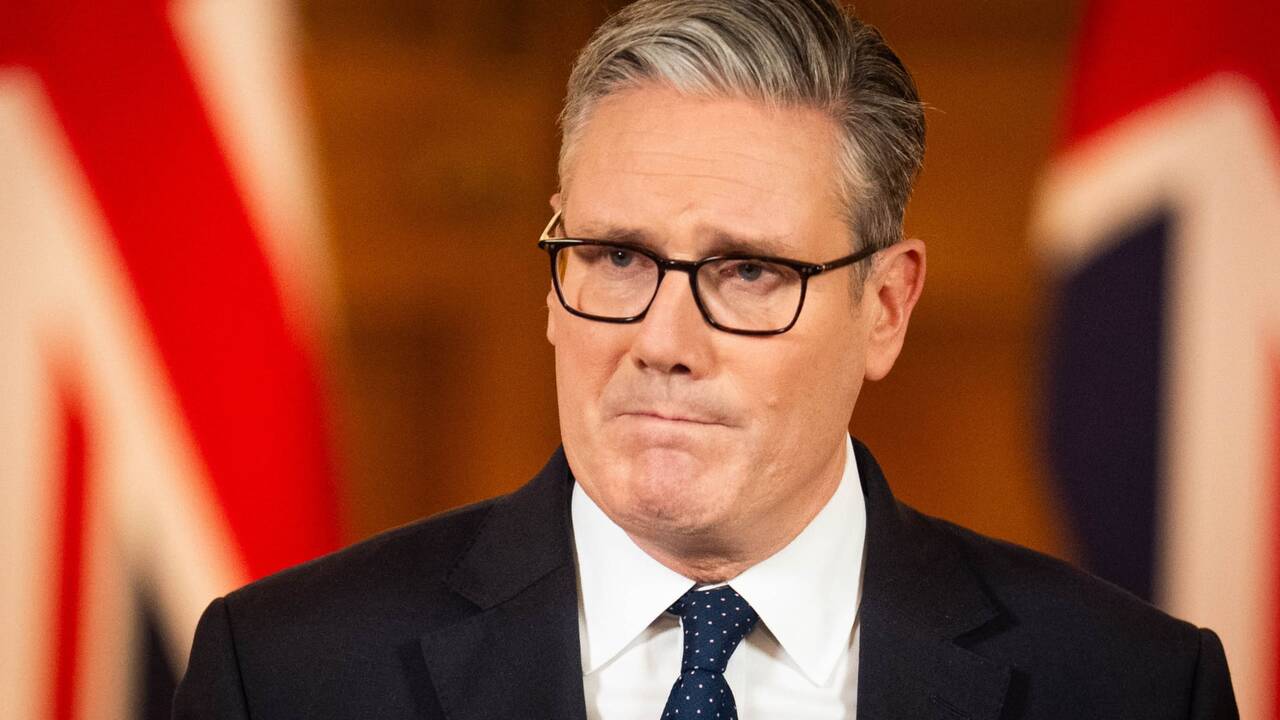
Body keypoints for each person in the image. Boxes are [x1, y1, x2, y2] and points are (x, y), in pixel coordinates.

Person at [173, 1, 1238, 718]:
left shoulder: (1131, 688)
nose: (663, 344)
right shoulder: (287, 675)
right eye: (615, 257)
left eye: (748, 272)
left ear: (884, 307)